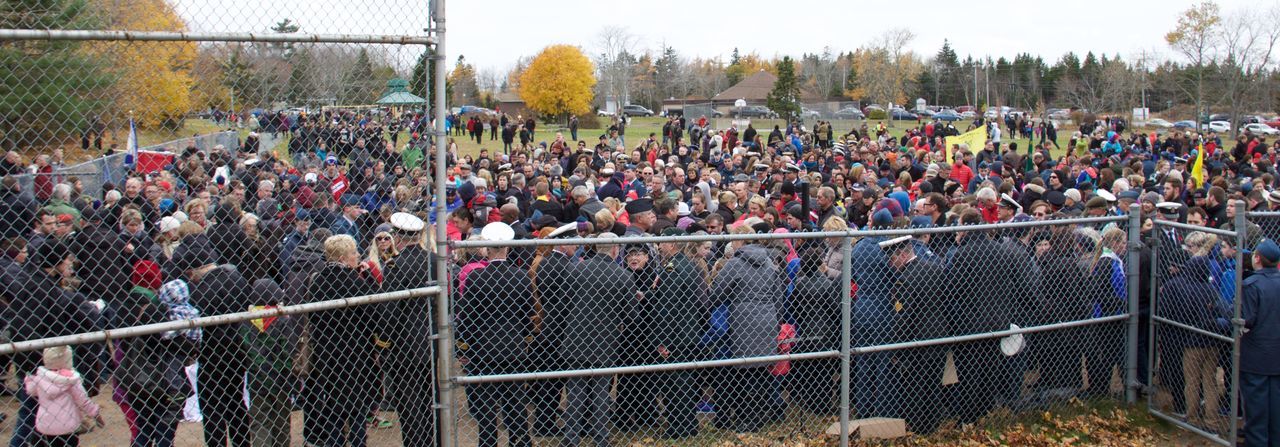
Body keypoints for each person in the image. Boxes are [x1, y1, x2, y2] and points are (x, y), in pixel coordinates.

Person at [457, 222, 532, 447]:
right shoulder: (520, 277)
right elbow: (527, 313)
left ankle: (488, 443)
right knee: (516, 403)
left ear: (487, 249)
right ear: (507, 249)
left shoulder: (476, 278)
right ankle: (520, 442)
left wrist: (465, 345)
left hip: (484, 349)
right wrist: (523, 337)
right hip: (513, 348)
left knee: (487, 407)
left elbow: (467, 316)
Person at [172, 238, 252, 447]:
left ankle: (217, 443)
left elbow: (194, 332)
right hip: (238, 350)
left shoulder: (200, 292)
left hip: (211, 354)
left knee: (212, 406)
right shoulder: (237, 279)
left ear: (196, 269)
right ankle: (242, 442)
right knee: (236, 402)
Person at [305, 234, 382, 447]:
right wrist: (368, 280)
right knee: (356, 408)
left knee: (333, 407)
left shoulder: (317, 281)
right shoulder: (353, 281)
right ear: (343, 256)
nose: (357, 255)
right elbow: (375, 312)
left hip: (327, 353)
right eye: (353, 252)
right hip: (355, 353)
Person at [558, 232, 631, 447]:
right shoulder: (622, 276)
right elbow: (631, 316)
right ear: (615, 249)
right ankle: (601, 438)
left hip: (576, 339)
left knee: (575, 392)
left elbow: (563, 303)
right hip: (605, 343)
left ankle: (571, 438)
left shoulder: (576, 269)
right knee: (601, 393)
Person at [380, 213, 439, 447]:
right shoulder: (434, 259)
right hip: (432, 336)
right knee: (431, 398)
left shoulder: (395, 264)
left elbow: (389, 310)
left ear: (397, 236)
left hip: (404, 343)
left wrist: (383, 341)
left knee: (410, 402)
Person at [882, 235, 948, 434]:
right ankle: (931, 424)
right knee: (934, 383)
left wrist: (896, 346)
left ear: (902, 255)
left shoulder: (904, 279)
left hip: (916, 339)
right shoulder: (936, 269)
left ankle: (918, 425)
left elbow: (903, 316)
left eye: (892, 259)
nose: (891, 265)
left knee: (915, 386)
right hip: (939, 334)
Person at [647, 227, 704, 439]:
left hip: (675, 335)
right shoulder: (688, 265)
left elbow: (667, 308)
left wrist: (662, 340)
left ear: (672, 243)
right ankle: (688, 425)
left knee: (674, 385)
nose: (659, 246)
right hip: (687, 332)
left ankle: (678, 427)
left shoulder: (672, 269)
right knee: (685, 382)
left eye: (662, 242)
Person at [24, 345, 103, 447]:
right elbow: (82, 400)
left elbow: (31, 391)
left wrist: (30, 377)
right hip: (69, 426)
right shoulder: (71, 379)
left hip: (47, 425)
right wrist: (95, 413)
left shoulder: (40, 377)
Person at [1242, 239, 1280, 446]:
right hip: (1276, 357)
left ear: (1257, 258)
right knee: (1276, 410)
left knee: (1256, 411)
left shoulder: (1252, 284)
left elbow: (1247, 320)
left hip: (1255, 358)